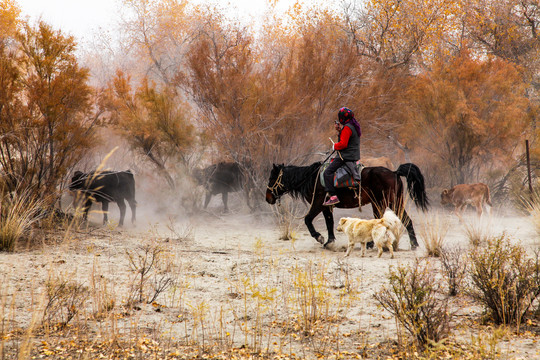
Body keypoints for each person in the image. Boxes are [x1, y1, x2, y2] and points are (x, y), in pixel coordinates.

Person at [322, 107, 361, 206]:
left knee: (327, 172)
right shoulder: (353, 126)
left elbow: (343, 144)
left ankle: (333, 196)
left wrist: (334, 146)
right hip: (352, 155)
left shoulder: (347, 128)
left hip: (346, 157)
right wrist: (340, 130)